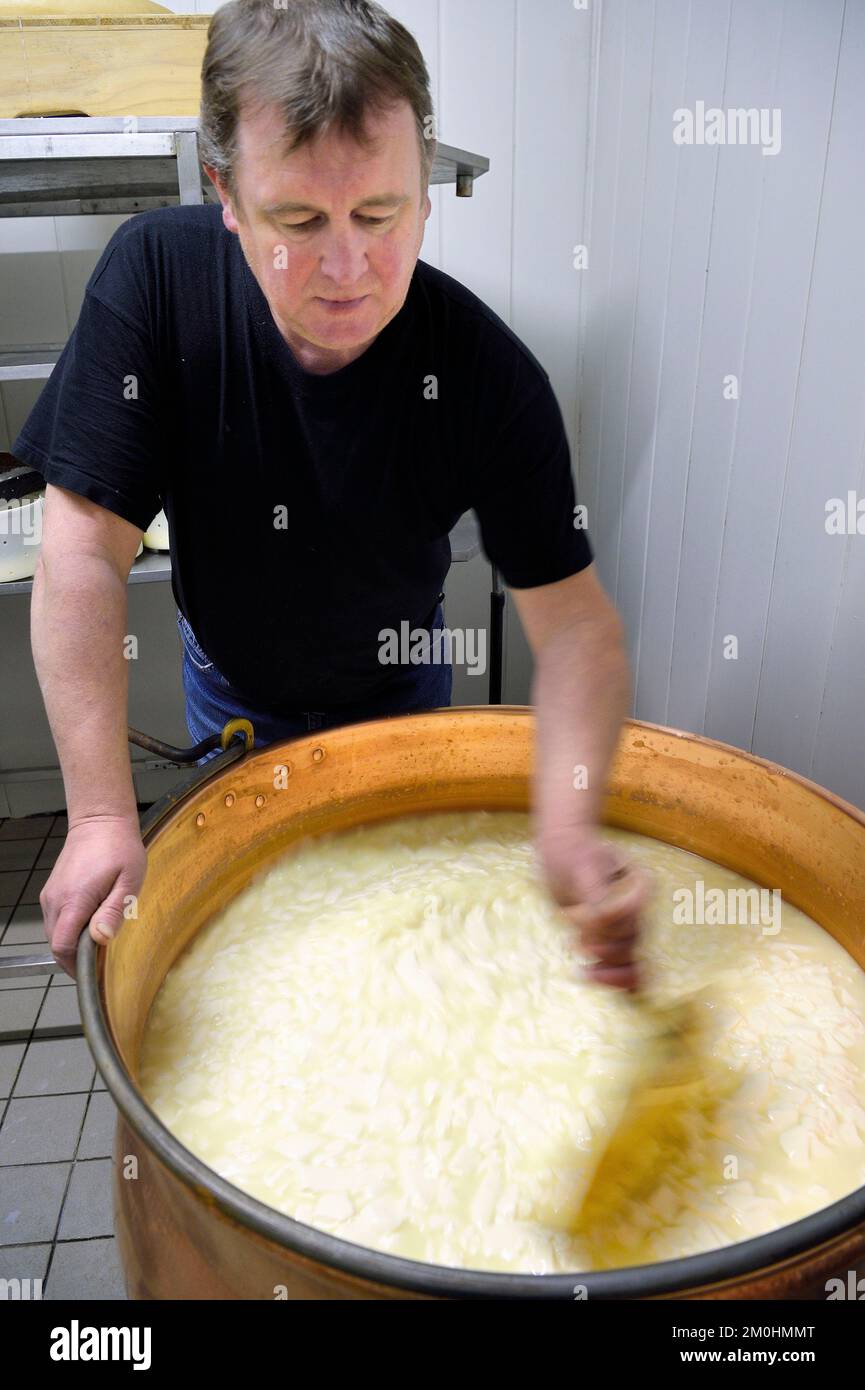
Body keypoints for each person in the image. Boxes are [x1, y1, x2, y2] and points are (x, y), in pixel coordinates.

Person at [14, 0, 650, 983]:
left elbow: (576, 630)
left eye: (381, 214)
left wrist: (566, 826)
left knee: (391, 956)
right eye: (300, 220)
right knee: (262, 960)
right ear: (226, 194)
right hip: (230, 686)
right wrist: (100, 814)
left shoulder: (485, 375)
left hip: (403, 692)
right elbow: (82, 549)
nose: (348, 268)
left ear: (425, 196)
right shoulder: (155, 280)